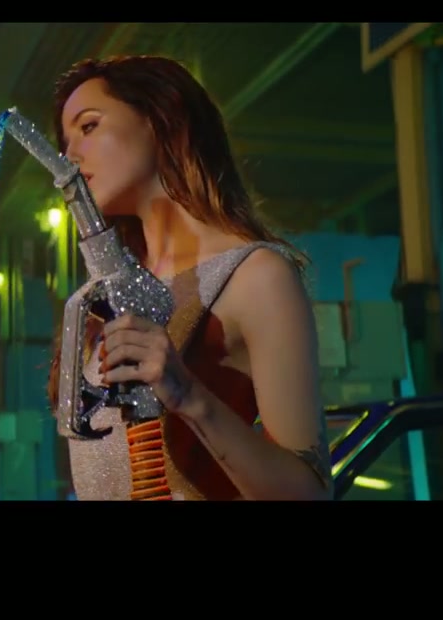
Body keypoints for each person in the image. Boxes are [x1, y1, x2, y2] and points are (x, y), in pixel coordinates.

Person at [47, 55, 332, 501]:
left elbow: (308, 493)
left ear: (161, 119)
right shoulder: (101, 298)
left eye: (89, 126)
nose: (69, 158)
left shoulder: (256, 276)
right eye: (65, 143)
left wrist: (187, 395)